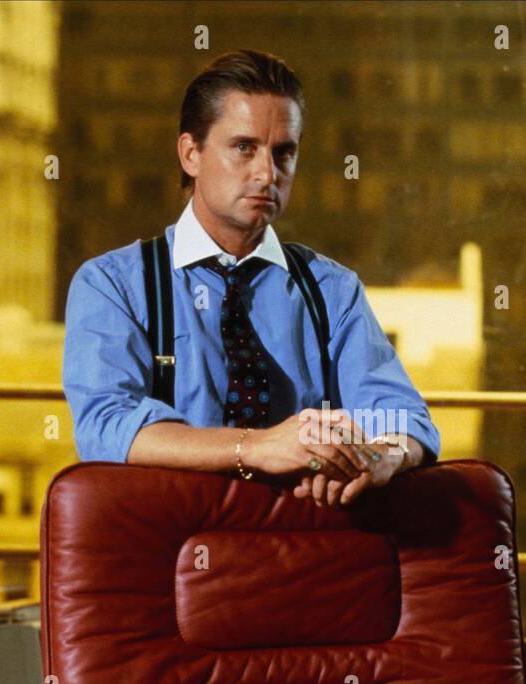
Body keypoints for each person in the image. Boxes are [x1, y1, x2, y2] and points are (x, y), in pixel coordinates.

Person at [62, 49, 440, 508]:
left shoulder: (331, 290)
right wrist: (258, 447)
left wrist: (380, 457)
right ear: (191, 154)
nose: (267, 173)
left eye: (284, 152)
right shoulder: (113, 284)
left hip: (301, 547)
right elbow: (106, 427)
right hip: (169, 548)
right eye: (244, 147)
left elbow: (405, 418)